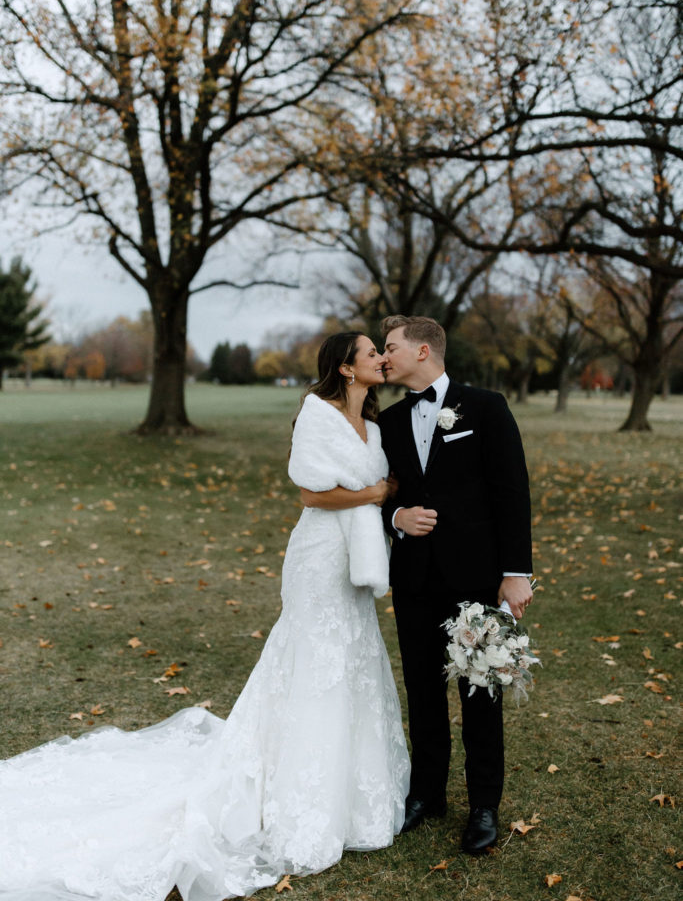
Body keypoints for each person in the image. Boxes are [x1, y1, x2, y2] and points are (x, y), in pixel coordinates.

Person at [0, 332, 409, 901]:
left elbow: (378, 487)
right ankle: (295, 798)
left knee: (353, 661)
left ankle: (353, 799)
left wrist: (381, 496)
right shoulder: (315, 414)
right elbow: (310, 496)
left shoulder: (379, 427)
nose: (380, 360)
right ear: (345, 368)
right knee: (314, 660)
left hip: (358, 562)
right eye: (371, 353)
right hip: (319, 560)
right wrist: (374, 494)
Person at [377, 314, 533, 854]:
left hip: (476, 579)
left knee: (479, 691)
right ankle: (427, 794)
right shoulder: (390, 423)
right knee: (422, 691)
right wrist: (397, 517)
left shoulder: (485, 407)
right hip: (415, 579)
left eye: (391, 346)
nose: (383, 355)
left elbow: (512, 491)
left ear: (423, 351)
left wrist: (516, 573)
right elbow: (379, 494)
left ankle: (484, 805)